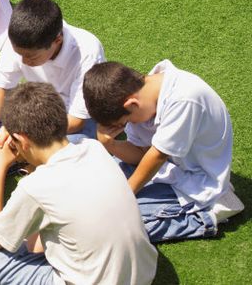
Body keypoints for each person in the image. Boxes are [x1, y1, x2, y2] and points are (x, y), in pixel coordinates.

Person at [0, 82, 157, 285]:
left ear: (22, 140)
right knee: (35, 240)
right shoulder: (94, 149)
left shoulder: (35, 186)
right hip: (142, 275)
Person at [82, 60, 244, 242]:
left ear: (131, 104)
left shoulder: (185, 99)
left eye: (126, 122)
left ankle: (207, 215)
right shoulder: (144, 96)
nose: (129, 125)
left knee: (115, 225)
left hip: (195, 182)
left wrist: (125, 195)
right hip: (166, 169)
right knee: (94, 186)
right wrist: (110, 144)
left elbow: (157, 156)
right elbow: (141, 154)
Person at [0, 0, 105, 166]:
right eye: (19, 54)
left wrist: (20, 131)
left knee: (75, 146)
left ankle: (23, 156)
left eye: (31, 57)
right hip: (33, 104)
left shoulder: (88, 51)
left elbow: (77, 120)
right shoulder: (20, 38)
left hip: (69, 119)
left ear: (57, 40)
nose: (23, 61)